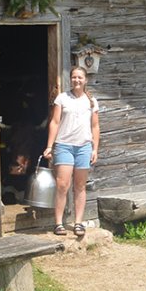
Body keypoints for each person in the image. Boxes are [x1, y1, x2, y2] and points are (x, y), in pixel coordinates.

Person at [42, 65, 100, 237]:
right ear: (70, 79)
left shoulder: (91, 101)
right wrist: (49, 146)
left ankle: (78, 223)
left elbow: (95, 126)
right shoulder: (62, 98)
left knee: (80, 186)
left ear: (85, 80)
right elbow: (55, 122)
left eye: (80, 77)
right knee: (62, 185)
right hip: (64, 145)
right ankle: (59, 223)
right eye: (74, 77)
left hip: (84, 147)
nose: (77, 80)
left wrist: (95, 149)